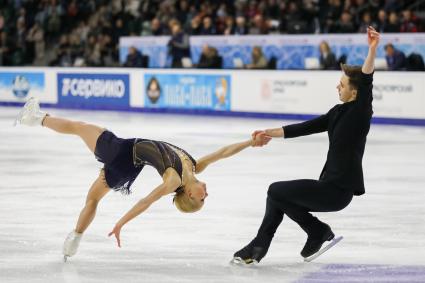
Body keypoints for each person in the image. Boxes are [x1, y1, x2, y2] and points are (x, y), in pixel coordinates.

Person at [14, 98, 271, 260]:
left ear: (190, 194)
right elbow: (223, 152)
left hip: (121, 150)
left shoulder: (173, 180)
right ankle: (74, 239)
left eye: (203, 199)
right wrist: (251, 142)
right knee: (92, 199)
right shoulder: (194, 167)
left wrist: (121, 224)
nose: (207, 194)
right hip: (129, 167)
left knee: (79, 127)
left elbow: (146, 202)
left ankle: (36, 118)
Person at [233, 26, 380, 264]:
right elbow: (306, 127)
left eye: (341, 85)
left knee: (276, 190)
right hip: (328, 185)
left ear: (354, 92)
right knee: (278, 197)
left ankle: (309, 233)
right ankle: (261, 247)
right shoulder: (337, 112)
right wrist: (268, 132)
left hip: (338, 191)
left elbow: (366, 80)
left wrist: (372, 49)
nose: (337, 87)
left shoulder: (360, 111)